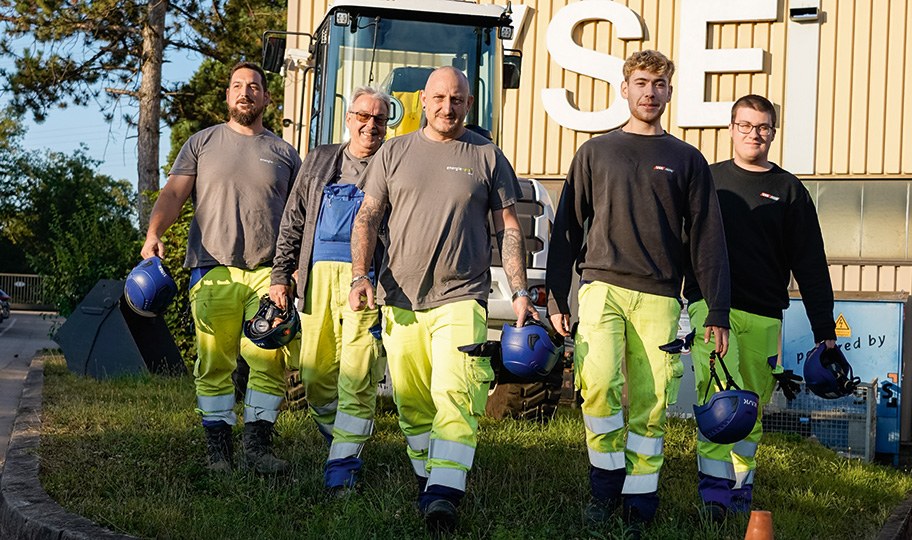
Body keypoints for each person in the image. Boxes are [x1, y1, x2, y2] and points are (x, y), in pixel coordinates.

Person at [546, 50, 731, 530]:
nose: (650, 92)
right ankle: (604, 491)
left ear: (671, 91)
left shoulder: (687, 159)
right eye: (642, 83)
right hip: (601, 287)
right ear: (625, 89)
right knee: (598, 389)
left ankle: (640, 501)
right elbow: (567, 225)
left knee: (651, 402)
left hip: (661, 296)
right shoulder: (595, 152)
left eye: (660, 85)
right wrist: (554, 295)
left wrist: (717, 311)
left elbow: (708, 239)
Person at [349, 66, 538, 532]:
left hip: (462, 295)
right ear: (423, 101)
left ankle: (445, 496)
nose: (447, 107)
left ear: (468, 104)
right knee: (412, 402)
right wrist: (360, 275)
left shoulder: (488, 156)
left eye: (456, 99)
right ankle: (426, 476)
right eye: (438, 98)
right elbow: (368, 218)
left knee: (456, 392)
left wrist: (519, 291)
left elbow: (508, 229)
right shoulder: (393, 153)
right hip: (400, 298)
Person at [140, 62, 301, 475]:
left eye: (254, 86)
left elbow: (300, 218)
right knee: (215, 363)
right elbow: (174, 194)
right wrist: (154, 232)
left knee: (268, 360)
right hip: (213, 270)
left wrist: (296, 268)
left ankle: (258, 447)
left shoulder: (285, 153)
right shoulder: (201, 143)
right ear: (227, 97)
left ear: (267, 98)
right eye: (237, 86)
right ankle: (218, 451)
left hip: (269, 272)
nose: (245, 92)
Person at [682, 94, 837, 519]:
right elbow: (679, 242)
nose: (755, 134)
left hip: (766, 315)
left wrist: (825, 329)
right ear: (731, 129)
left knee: (748, 410)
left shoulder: (789, 191)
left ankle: (740, 496)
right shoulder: (706, 180)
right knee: (718, 406)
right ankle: (714, 502)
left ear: (773, 132)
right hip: (712, 308)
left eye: (763, 127)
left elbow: (810, 261)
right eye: (746, 125)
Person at [270, 86, 390, 493]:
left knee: (358, 373)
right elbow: (294, 219)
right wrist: (280, 275)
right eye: (363, 116)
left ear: (387, 125)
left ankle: (343, 470)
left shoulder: (393, 162)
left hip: (367, 282)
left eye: (379, 119)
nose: (369, 125)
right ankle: (343, 436)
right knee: (315, 372)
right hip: (316, 278)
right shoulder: (321, 159)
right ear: (348, 117)